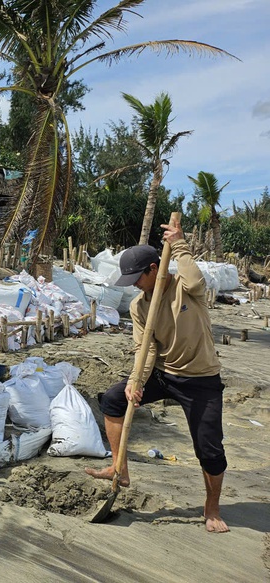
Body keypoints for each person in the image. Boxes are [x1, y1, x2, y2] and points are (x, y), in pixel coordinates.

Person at [86, 218, 229, 533]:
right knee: (112, 399)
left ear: (154, 269)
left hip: (201, 378)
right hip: (164, 374)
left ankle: (212, 506)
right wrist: (136, 381)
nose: (134, 284)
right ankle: (119, 468)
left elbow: (197, 281)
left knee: (210, 448)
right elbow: (145, 348)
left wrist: (178, 243)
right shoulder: (139, 306)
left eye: (138, 277)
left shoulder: (186, 290)